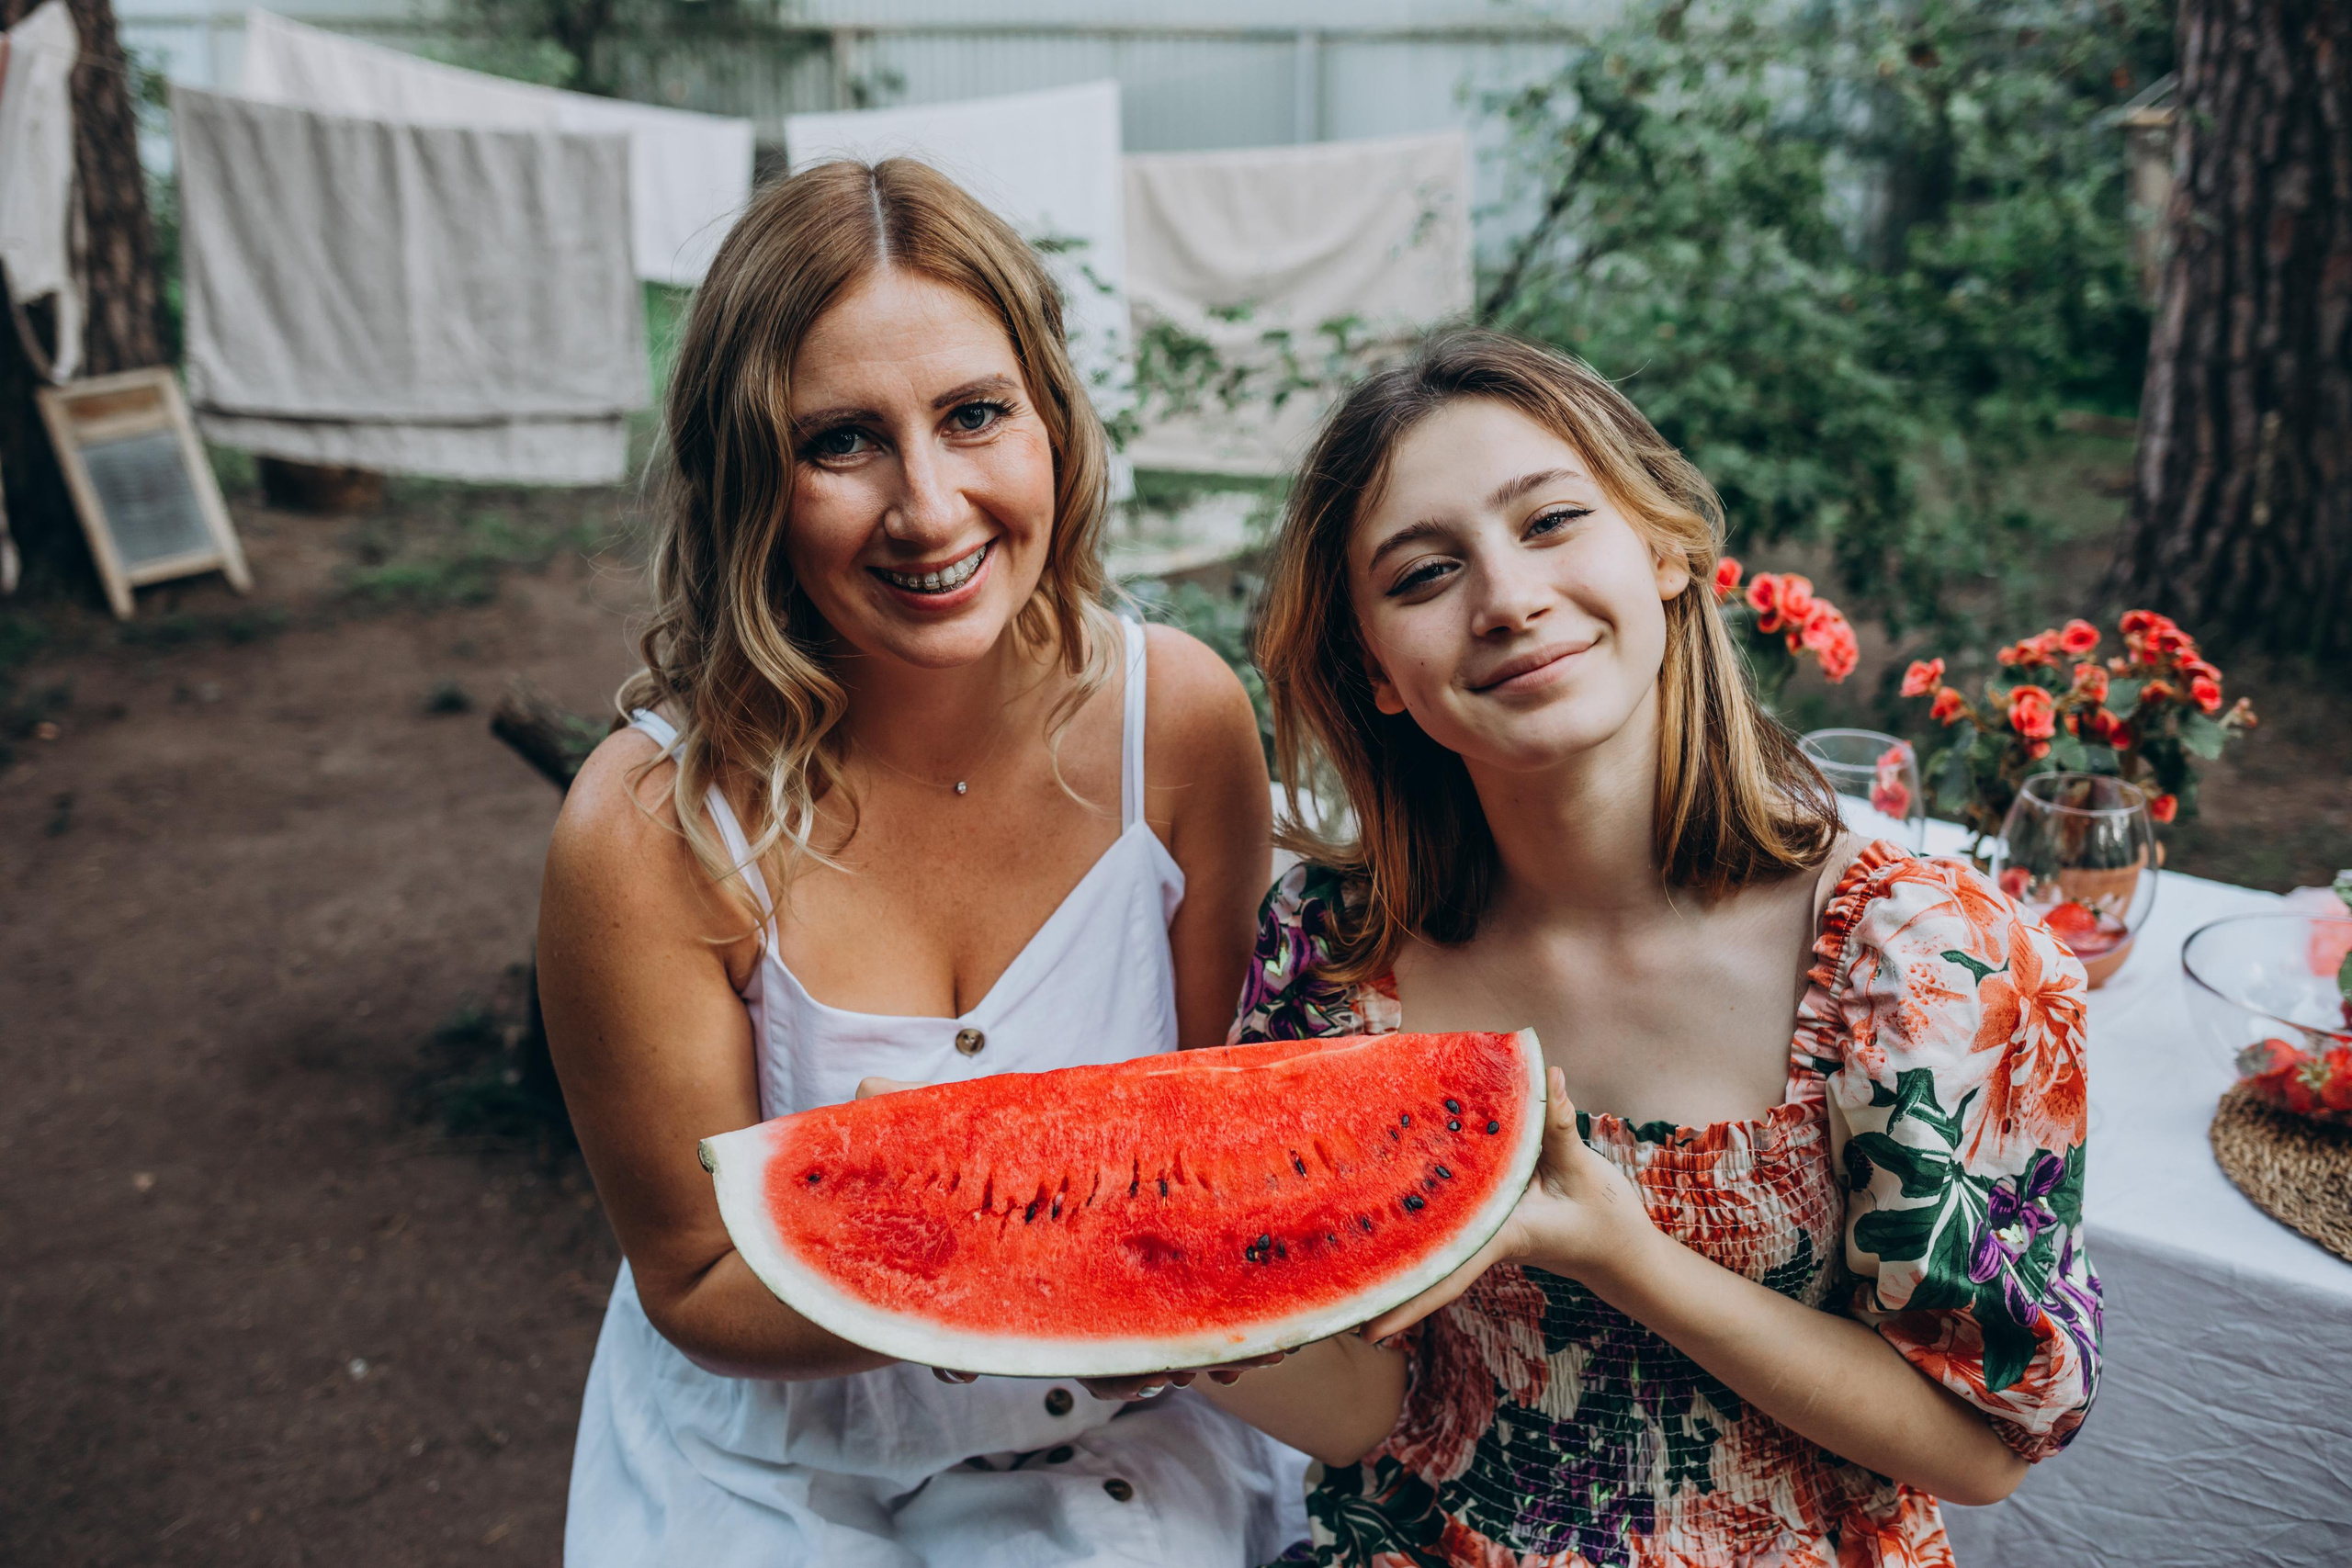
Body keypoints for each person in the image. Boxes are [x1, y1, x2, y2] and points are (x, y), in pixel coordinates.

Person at [1196, 330, 2100, 1565]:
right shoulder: (1336, 962)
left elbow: (1981, 1445)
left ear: (1665, 549)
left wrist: (1624, 1254)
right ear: (1379, 673)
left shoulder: (1923, 959)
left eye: (1553, 520)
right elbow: (1366, 1407)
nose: (1507, 599)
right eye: (1422, 577)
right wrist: (1132, 1324)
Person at [537, 158, 1306, 1567]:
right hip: (769, 1467)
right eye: (842, 441)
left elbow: (1219, 1135)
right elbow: (700, 1273)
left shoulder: (1180, 721)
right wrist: (1014, 1277)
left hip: (1137, 1431)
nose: (931, 506)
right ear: (747, 477)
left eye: (973, 415)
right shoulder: (646, 825)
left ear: (1053, 423)